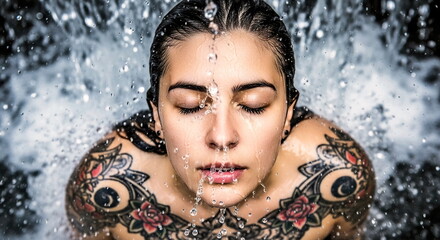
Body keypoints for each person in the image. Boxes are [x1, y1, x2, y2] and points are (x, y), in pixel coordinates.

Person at [65, 0, 375, 239]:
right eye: (190, 106)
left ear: (288, 113)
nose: (222, 136)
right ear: (156, 115)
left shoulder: (337, 179)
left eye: (254, 105)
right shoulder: (105, 189)